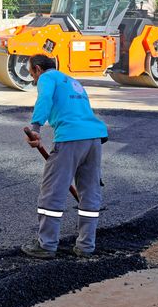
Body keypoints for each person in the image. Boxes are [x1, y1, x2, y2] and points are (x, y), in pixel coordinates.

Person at [22, 54, 108, 259]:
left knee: (53, 191)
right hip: (94, 139)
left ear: (37, 69)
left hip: (71, 139)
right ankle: (86, 246)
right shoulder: (71, 81)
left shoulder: (46, 78)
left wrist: (35, 127)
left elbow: (44, 99)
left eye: (31, 74)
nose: (33, 80)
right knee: (89, 193)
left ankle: (46, 245)